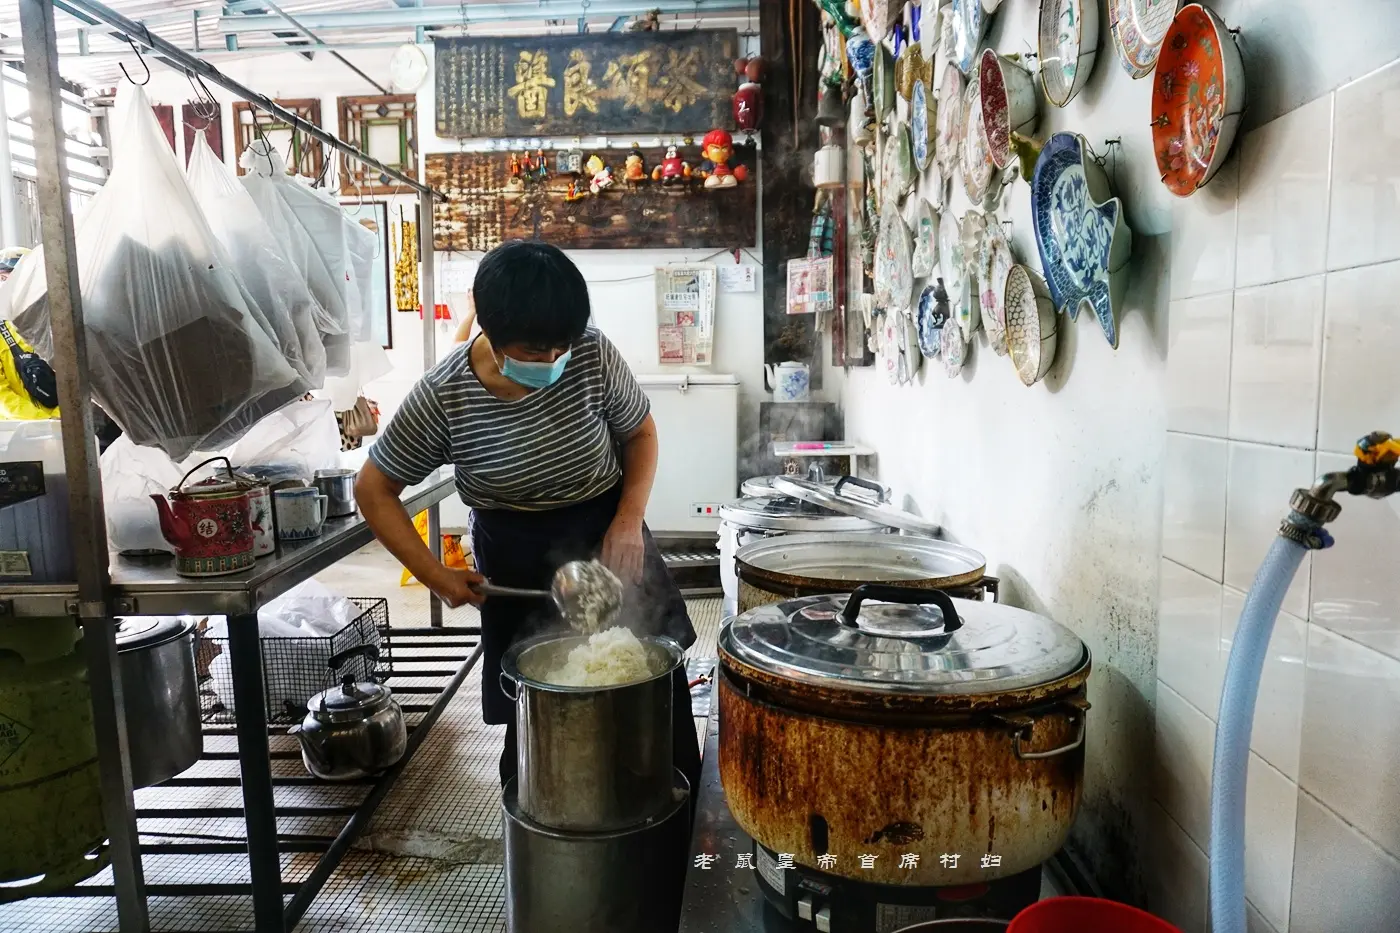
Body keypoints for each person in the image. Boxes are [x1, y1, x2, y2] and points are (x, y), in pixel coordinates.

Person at [355, 240, 700, 799]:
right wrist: (434, 574)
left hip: (606, 528)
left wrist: (627, 520)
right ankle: (550, 821)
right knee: (536, 702)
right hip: (513, 551)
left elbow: (640, 433)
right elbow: (374, 489)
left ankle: (675, 816)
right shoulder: (445, 396)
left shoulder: (590, 354)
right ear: (488, 328)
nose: (552, 361)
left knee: (652, 676)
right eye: (534, 350)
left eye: (560, 346)